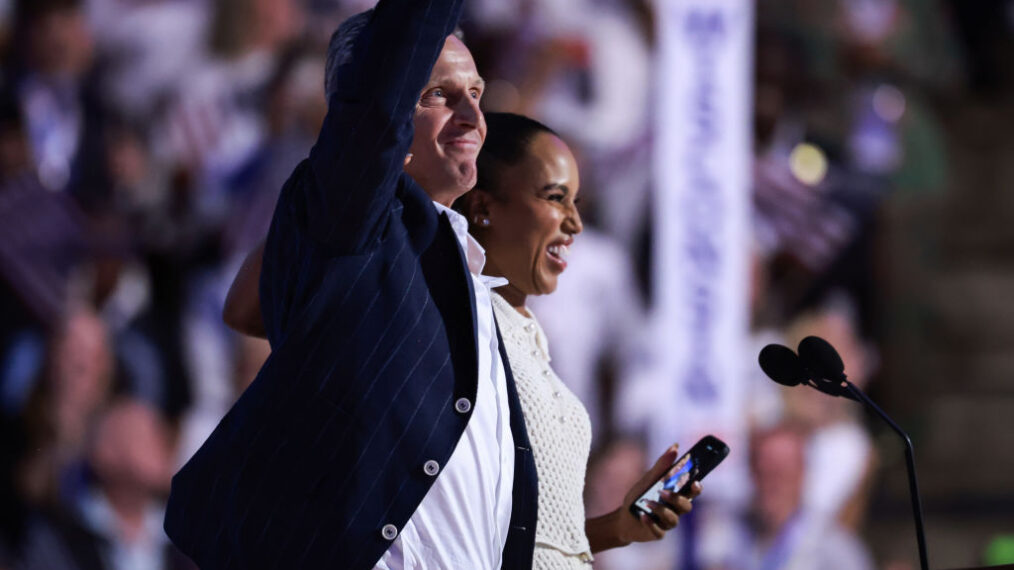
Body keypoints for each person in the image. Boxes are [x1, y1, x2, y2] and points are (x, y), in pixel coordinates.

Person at [164, 3, 539, 569]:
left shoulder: (463, 270)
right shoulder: (352, 221)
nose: (472, 116)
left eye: (477, 93)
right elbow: (379, 91)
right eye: (436, 94)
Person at [456, 111, 702, 568]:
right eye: (555, 198)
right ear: (483, 208)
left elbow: (533, 543)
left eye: (576, 201)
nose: (575, 222)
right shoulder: (456, 323)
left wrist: (618, 527)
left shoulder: (525, 332)